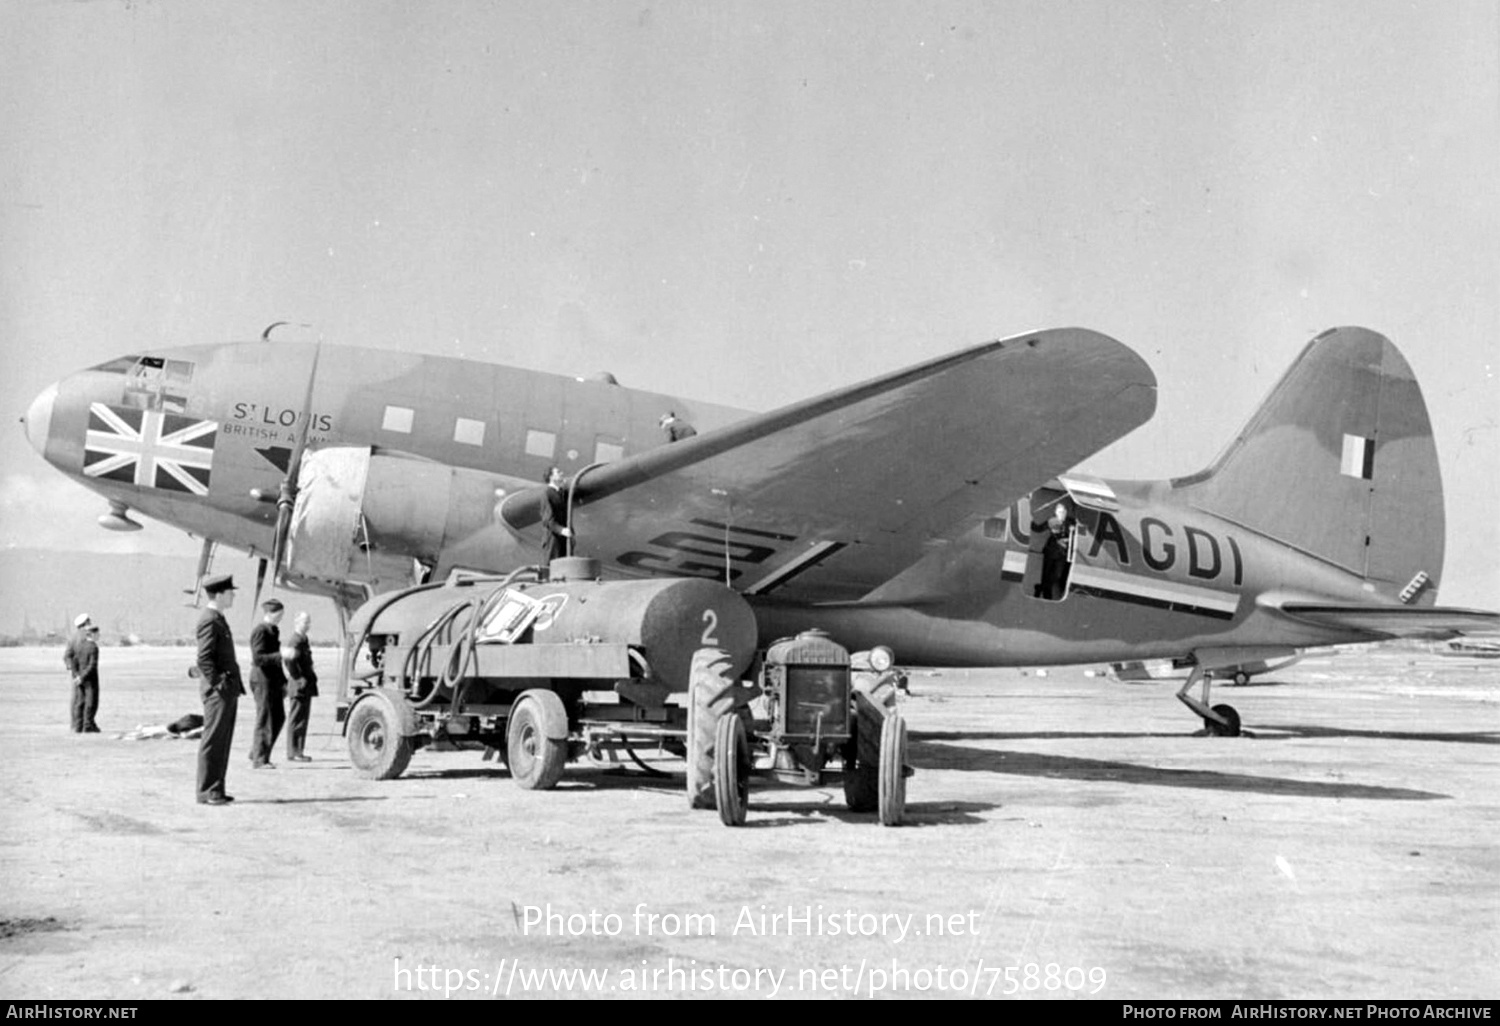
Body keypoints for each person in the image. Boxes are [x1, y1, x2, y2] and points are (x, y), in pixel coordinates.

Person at [195, 574, 244, 806]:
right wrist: (219, 684)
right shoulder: (209, 620)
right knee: (213, 740)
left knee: (222, 740)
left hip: (226, 690)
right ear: (220, 594)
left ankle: (216, 788)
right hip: (218, 692)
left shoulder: (218, 618)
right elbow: (204, 659)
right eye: (230, 592)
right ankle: (207, 790)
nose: (233, 595)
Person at [248, 598, 288, 768]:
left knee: (278, 716)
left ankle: (256, 751)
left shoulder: (273, 630)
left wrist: (284, 682)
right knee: (265, 718)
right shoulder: (260, 631)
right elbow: (258, 658)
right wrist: (281, 655)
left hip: (273, 679)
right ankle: (259, 759)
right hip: (262, 678)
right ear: (269, 614)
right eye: (278, 615)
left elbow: (274, 661)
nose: (280, 618)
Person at [281, 611, 317, 763]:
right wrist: (298, 677)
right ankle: (293, 751)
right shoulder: (295, 640)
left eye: (308, 622)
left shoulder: (303, 639)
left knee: (302, 719)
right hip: (298, 686)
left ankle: (299, 751)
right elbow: (289, 661)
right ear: (297, 622)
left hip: (305, 685)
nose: (307, 625)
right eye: (304, 622)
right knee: (296, 719)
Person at [63, 615, 101, 733]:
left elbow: (67, 656)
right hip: (88, 675)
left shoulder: (72, 638)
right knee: (91, 700)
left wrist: (74, 672)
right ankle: (88, 724)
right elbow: (92, 662)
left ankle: (76, 725)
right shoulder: (89, 636)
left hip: (76, 674)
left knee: (77, 701)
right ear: (86, 622)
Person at [1033, 503, 1075, 601]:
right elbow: (1038, 529)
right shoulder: (1052, 521)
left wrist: (1072, 532)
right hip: (1050, 551)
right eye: (1060, 512)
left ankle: (1041, 588)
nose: (1062, 514)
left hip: (1062, 554)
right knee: (1045, 573)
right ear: (1056, 513)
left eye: (1064, 512)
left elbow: (1076, 534)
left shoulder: (1070, 522)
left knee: (1057, 575)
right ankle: (1046, 594)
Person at [539, 465, 572, 566]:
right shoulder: (547, 493)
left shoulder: (560, 493)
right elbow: (547, 520)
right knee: (551, 568)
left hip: (562, 539)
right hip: (552, 541)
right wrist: (561, 530)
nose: (561, 473)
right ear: (551, 477)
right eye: (558, 472)